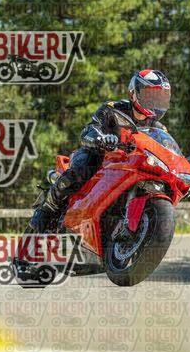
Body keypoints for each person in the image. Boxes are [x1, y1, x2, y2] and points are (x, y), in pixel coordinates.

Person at [29, 69, 172, 234]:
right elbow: (89, 130)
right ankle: (47, 209)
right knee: (82, 169)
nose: (154, 101)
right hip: (100, 156)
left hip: (131, 164)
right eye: (150, 95)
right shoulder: (113, 109)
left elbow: (167, 151)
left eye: (159, 97)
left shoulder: (159, 129)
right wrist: (101, 138)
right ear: (135, 93)